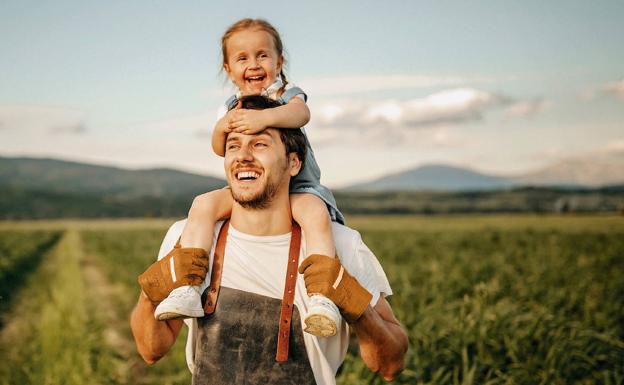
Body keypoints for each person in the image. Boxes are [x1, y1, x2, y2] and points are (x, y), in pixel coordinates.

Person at [131, 95, 408, 385]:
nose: (243, 156)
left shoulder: (340, 245)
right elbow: (151, 350)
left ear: (294, 163)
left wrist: (356, 305)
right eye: (233, 146)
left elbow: (391, 364)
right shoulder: (188, 238)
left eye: (260, 144)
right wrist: (152, 293)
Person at [154, 18, 344, 338]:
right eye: (242, 58)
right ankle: (188, 286)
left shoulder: (284, 93)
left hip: (298, 187)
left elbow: (301, 115)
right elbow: (218, 148)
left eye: (262, 56)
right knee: (202, 205)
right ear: (229, 69)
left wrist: (263, 118)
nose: (254, 64)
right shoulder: (231, 107)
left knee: (314, 213)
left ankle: (322, 297)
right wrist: (222, 126)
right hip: (249, 184)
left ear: (279, 62)